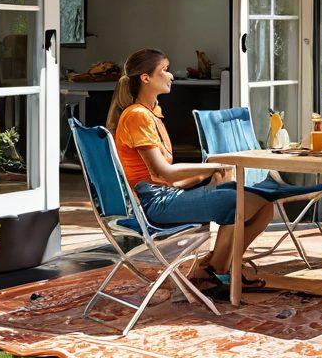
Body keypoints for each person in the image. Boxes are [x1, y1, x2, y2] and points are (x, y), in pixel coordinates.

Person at [106, 48, 272, 292]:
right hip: (155, 204)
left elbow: (164, 177)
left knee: (264, 206)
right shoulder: (137, 116)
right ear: (145, 78)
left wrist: (206, 175)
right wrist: (213, 166)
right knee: (242, 199)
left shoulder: (151, 113)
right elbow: (163, 173)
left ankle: (216, 268)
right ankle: (213, 273)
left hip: (163, 194)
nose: (171, 75)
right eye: (164, 70)